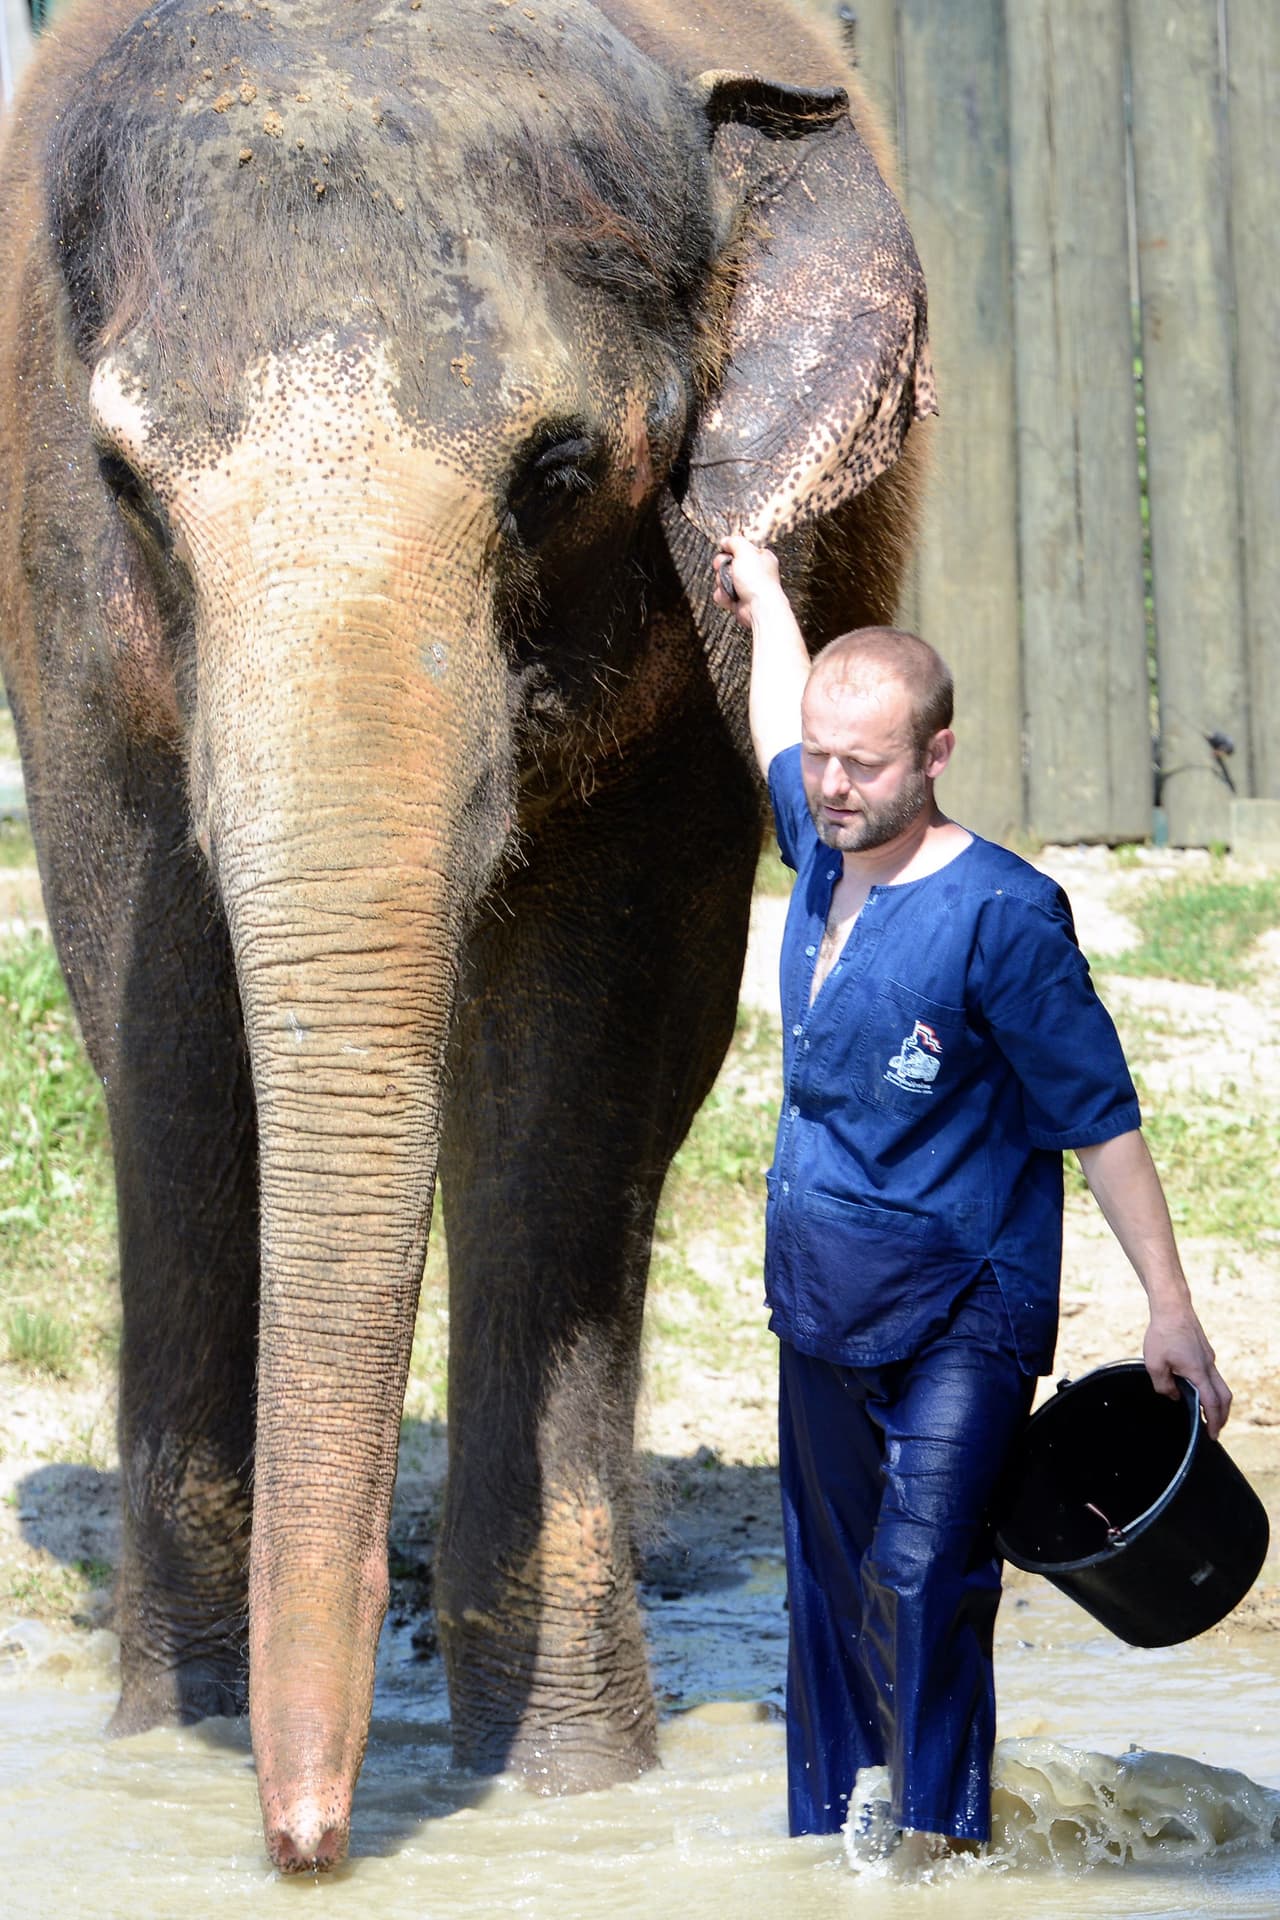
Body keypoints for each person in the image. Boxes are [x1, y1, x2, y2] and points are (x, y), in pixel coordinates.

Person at [711, 534, 1232, 1866]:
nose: (830, 783)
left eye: (863, 763)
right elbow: (781, 715)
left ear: (934, 757)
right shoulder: (826, 841)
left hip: (967, 1309)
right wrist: (770, 601)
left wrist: (1171, 1310)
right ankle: (839, 1840)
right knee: (830, 1597)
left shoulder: (1008, 916)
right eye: (823, 758)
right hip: (820, 1291)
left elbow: (1101, 1121)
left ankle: (939, 1845)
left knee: (921, 1575)